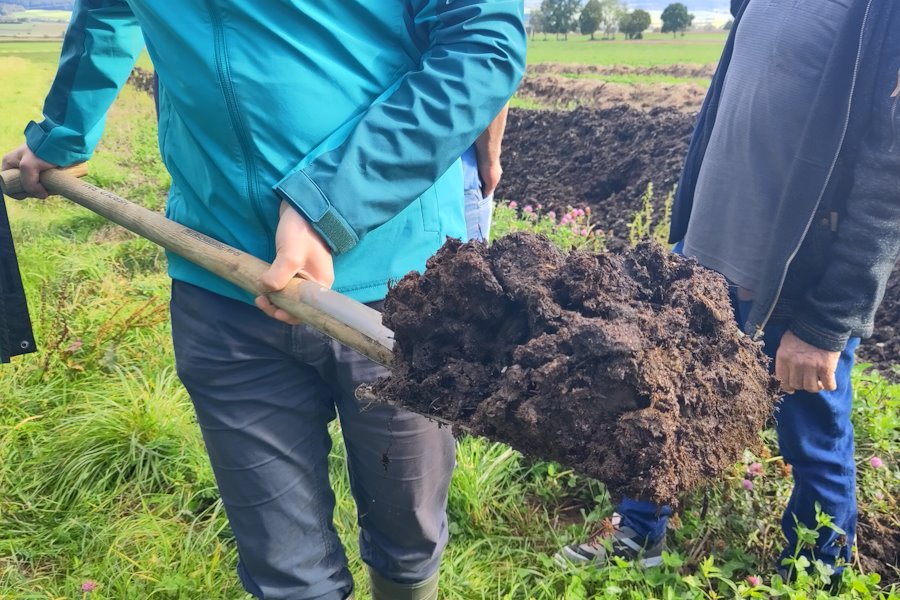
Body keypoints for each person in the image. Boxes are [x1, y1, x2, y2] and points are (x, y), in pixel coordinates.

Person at [2, 2, 526, 599]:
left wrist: (329, 202)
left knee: (407, 531)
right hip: (220, 276)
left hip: (399, 288)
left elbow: (482, 39)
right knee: (285, 568)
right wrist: (64, 133)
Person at [557, 0, 900, 583]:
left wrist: (827, 323)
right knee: (660, 405)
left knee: (813, 442)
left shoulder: (881, 14)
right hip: (703, 262)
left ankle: (818, 579)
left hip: (794, 286)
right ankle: (639, 534)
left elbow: (888, 182)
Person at [462, 103, 510, 242]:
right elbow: (493, 91)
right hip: (462, 174)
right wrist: (490, 162)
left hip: (400, 175)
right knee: (465, 259)